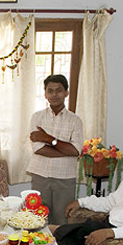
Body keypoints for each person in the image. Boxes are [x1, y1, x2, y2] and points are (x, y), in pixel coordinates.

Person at [26, 74, 84, 226]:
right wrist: (65, 148)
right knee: (38, 219)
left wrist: (47, 138)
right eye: (50, 91)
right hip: (40, 176)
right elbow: (39, 149)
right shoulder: (37, 117)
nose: (54, 95)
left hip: (65, 178)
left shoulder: (75, 120)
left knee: (61, 220)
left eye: (58, 90)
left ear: (66, 92)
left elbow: (76, 150)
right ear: (45, 94)